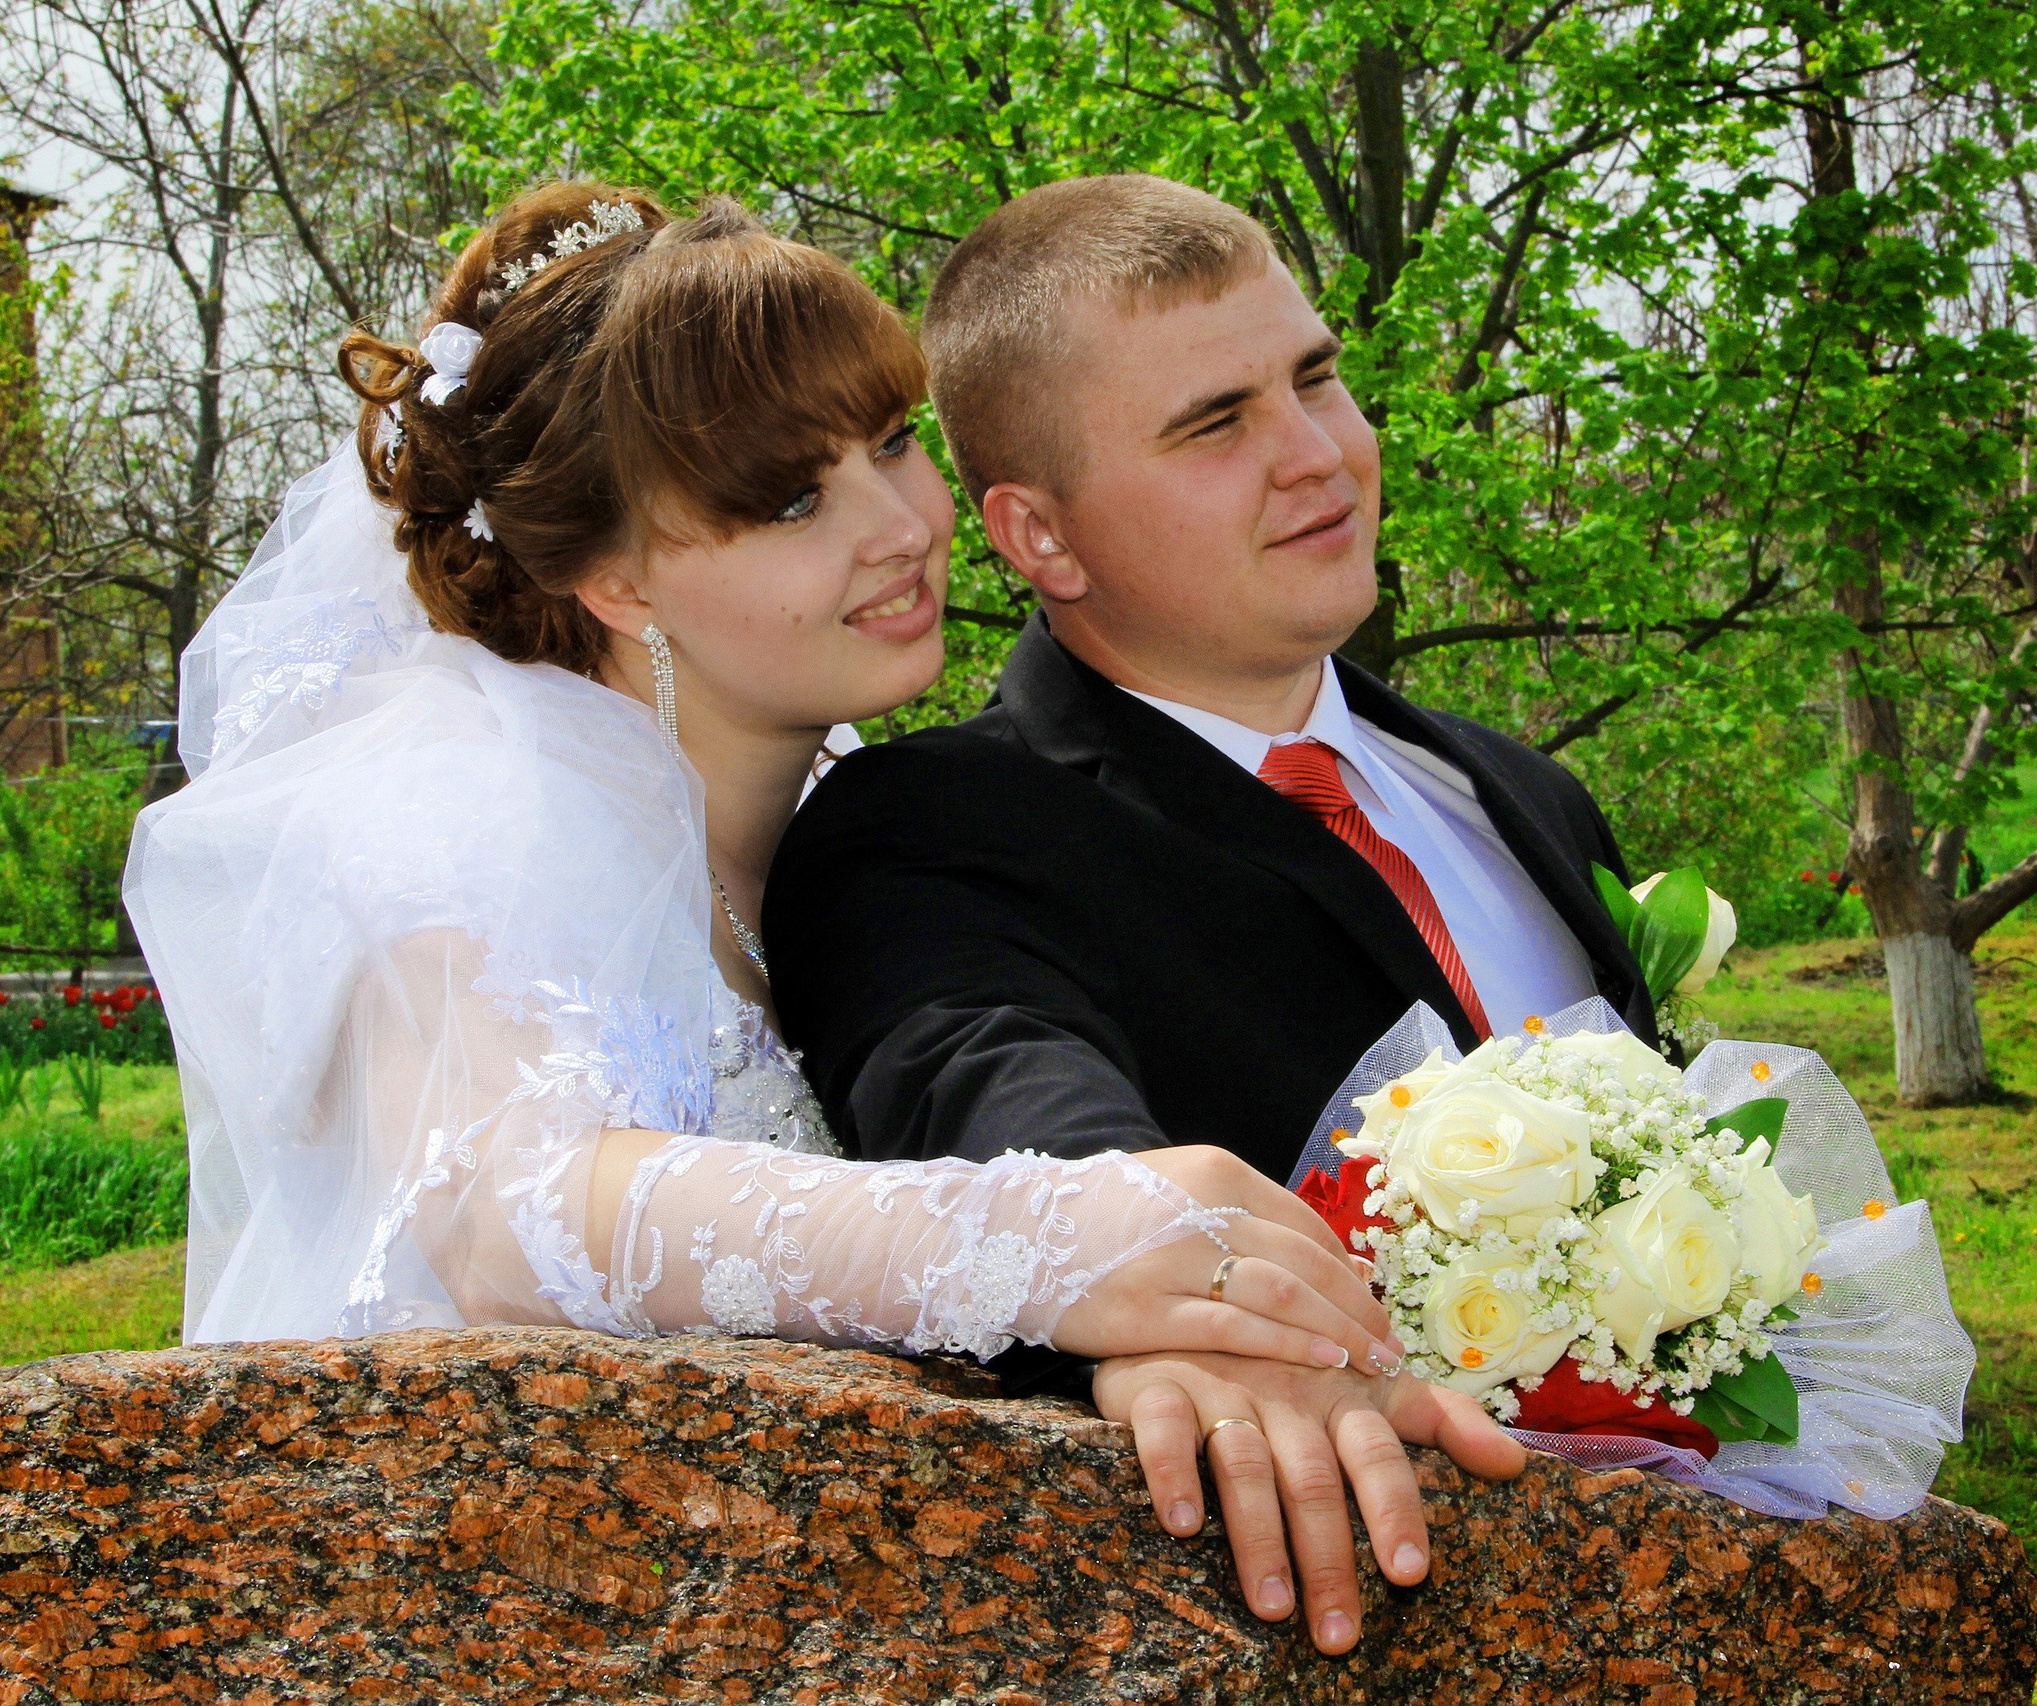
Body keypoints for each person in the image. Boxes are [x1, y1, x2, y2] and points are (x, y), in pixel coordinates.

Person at [123, 184, 1408, 1508]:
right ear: (617, 578)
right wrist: (1053, 1244)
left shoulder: (867, 823)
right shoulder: (463, 799)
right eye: (795, 499)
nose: (902, 524)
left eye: (893, 441)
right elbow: (505, 1213)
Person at [763, 174, 1658, 1656]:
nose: (1318, 456)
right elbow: (974, 1057)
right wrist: (1167, 1268)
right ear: (1042, 539)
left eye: (1315, 377)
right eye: (1214, 423)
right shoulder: (933, 829)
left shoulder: (1522, 794)